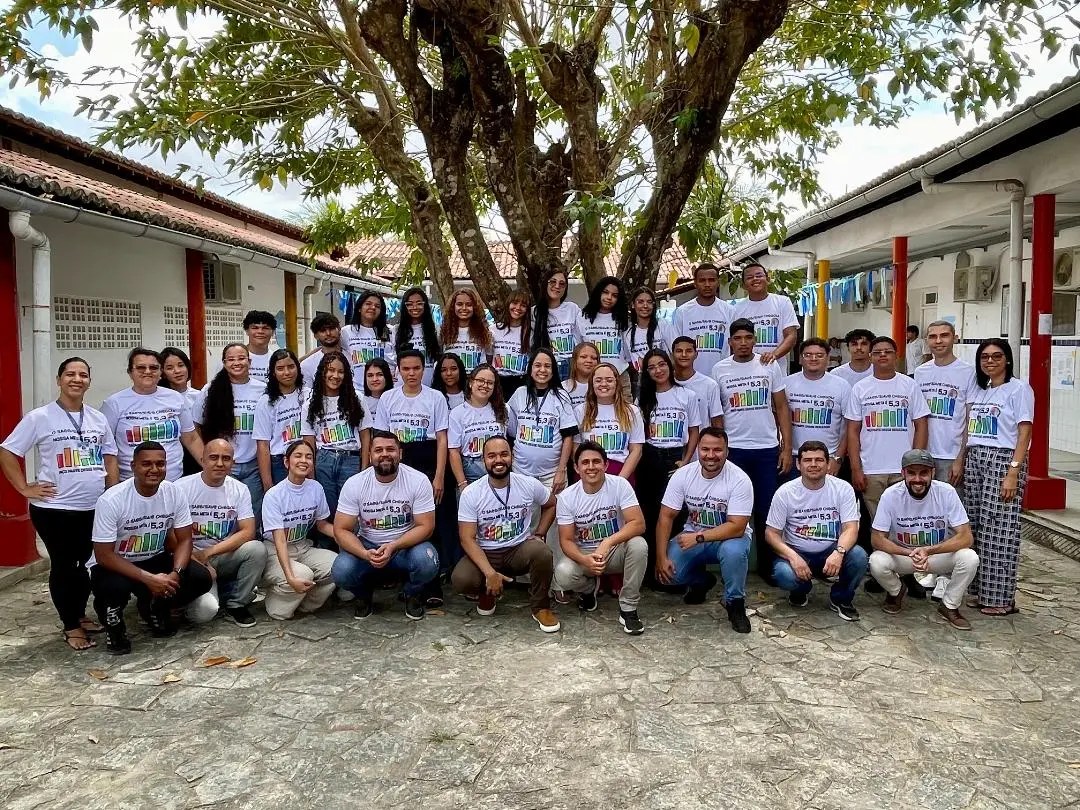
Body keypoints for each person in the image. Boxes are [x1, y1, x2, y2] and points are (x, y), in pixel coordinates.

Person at [0, 357, 118, 651]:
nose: (77, 379)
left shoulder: (97, 418)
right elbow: (7, 451)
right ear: (59, 380)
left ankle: (79, 614)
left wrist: (112, 492)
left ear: (89, 381)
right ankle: (70, 625)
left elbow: (110, 457)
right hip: (55, 509)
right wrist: (24, 488)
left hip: (93, 507)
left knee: (85, 564)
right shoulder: (40, 417)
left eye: (83, 375)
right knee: (65, 566)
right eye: (70, 374)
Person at [89, 441, 213, 655]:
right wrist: (149, 579)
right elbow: (103, 555)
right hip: (116, 563)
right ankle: (113, 624)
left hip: (154, 558)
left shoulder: (174, 493)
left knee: (200, 577)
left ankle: (155, 606)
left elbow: (185, 540)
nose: (154, 469)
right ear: (133, 466)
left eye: (160, 464)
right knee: (114, 588)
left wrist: (175, 574)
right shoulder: (111, 500)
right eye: (146, 464)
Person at [710, 318, 792, 578]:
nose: (743, 343)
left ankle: (769, 567)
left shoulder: (768, 364)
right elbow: (717, 414)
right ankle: (731, 565)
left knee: (767, 510)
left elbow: (781, 406)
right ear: (730, 342)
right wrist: (720, 448)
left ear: (755, 340)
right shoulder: (719, 369)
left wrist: (786, 448)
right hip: (733, 450)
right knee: (731, 511)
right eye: (738, 338)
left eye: (748, 337)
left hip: (766, 448)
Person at [453, 436, 561, 632]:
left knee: (542, 552)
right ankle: (488, 592)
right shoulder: (472, 493)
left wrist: (540, 533)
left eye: (504, 454)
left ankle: (541, 607)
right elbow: (466, 538)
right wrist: (489, 573)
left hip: (518, 549)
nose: (498, 460)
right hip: (486, 552)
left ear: (512, 457)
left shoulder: (528, 484)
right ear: (484, 460)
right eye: (492, 456)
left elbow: (552, 504)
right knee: (462, 579)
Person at [331, 431, 440, 621]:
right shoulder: (355, 484)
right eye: (378, 450)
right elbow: (340, 529)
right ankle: (363, 595)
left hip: (405, 547)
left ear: (400, 453)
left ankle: (412, 593)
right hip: (368, 546)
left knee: (427, 561)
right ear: (370, 455)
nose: (385, 454)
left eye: (390, 449)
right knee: (341, 570)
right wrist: (364, 553)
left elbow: (426, 526)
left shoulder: (418, 480)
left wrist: (393, 546)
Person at [374, 349, 454, 602]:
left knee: (432, 521)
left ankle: (432, 582)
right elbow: (381, 437)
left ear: (423, 369)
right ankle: (400, 574)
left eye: (416, 368)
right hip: (397, 459)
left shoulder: (435, 397)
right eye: (406, 369)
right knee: (402, 517)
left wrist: (439, 476)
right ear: (398, 370)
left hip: (428, 459)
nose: (411, 373)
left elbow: (442, 438)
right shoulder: (388, 398)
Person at [654, 428, 753, 633]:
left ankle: (735, 603)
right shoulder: (683, 475)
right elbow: (666, 516)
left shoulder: (740, 479)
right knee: (669, 574)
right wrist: (661, 557)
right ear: (698, 449)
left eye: (717, 450)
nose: (711, 455)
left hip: (729, 538)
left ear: (727, 451)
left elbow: (737, 526)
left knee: (733, 552)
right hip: (694, 535)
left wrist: (699, 537)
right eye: (705, 449)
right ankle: (702, 581)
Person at [869, 449, 979, 630]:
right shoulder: (890, 495)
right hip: (905, 555)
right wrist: (908, 552)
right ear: (903, 473)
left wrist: (930, 550)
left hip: (936, 554)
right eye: (911, 473)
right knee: (876, 561)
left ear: (933, 473)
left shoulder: (946, 492)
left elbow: (966, 537)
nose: (917, 479)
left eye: (924, 473)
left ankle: (949, 605)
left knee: (970, 558)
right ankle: (897, 591)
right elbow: (877, 539)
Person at [963, 338, 1033, 616]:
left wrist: (1013, 471)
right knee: (976, 527)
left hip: (1003, 460)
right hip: (976, 458)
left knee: (1000, 529)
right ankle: (981, 591)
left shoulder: (1019, 389)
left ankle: (1000, 598)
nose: (990, 361)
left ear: (1007, 359)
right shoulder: (983, 390)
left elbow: (1025, 431)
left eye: (996, 356)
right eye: (985, 357)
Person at [554, 442, 648, 635]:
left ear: (606, 465)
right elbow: (566, 540)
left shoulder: (620, 485)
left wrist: (608, 542)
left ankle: (628, 609)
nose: (591, 467)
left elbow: (638, 523)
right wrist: (584, 560)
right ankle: (588, 590)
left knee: (639, 545)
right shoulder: (567, 497)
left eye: (596, 461)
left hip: (615, 550)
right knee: (563, 573)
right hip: (586, 553)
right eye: (585, 462)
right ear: (576, 468)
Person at [764, 441, 865, 620]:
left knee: (859, 557)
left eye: (819, 460)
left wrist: (839, 552)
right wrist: (793, 558)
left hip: (831, 548)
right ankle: (801, 590)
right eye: (807, 460)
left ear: (828, 464)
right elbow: (771, 533)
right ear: (798, 464)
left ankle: (841, 599)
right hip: (798, 550)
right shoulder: (785, 492)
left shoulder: (843, 488)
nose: (813, 464)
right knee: (783, 574)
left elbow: (851, 528)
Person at [176, 439, 265, 628]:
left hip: (221, 553)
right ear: (202, 460)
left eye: (226, 458)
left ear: (233, 462)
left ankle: (236, 603)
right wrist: (196, 560)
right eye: (213, 457)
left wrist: (209, 553)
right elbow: (170, 534)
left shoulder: (239, 489)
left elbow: (248, 531)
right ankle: (184, 604)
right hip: (191, 558)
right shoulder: (181, 488)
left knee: (257, 549)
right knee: (205, 612)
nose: (219, 463)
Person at [845, 336, 930, 518]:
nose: (882, 355)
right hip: (871, 470)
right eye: (877, 352)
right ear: (870, 357)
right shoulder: (860, 388)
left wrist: (916, 462)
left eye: (888, 352)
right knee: (878, 523)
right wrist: (856, 468)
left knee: (907, 520)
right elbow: (852, 431)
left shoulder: (910, 385)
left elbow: (921, 424)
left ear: (896, 355)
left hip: (904, 469)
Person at [636, 348, 700, 581]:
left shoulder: (687, 395)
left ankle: (672, 569)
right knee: (650, 512)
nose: (658, 370)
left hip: (675, 458)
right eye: (651, 367)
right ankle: (650, 570)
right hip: (649, 457)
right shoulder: (642, 398)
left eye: (661, 364)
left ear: (669, 365)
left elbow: (694, 431)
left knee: (676, 513)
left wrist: (686, 460)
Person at [260, 441, 338, 620]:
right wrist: (290, 577)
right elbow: (279, 539)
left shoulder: (316, 488)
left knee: (337, 565)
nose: (304, 460)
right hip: (275, 550)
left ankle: (305, 603)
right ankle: (277, 601)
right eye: (298, 456)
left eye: (308, 457)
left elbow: (322, 525)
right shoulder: (274, 495)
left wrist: (347, 538)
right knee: (302, 576)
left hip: (302, 546)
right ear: (287, 462)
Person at [102, 347, 203, 482]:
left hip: (174, 482)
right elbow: (106, 449)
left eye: (154, 368)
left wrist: (208, 468)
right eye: (141, 368)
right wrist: (112, 487)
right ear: (130, 372)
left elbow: (191, 439)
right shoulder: (114, 403)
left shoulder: (175, 398)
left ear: (161, 372)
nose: (148, 371)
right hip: (132, 483)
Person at [192, 343, 267, 516]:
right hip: (223, 465)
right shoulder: (210, 390)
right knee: (225, 513)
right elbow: (196, 426)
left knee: (253, 513)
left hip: (254, 465)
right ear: (224, 363)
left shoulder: (262, 389)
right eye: (231, 359)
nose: (236, 363)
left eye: (241, 358)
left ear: (249, 361)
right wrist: (207, 457)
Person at [301, 351, 365, 542]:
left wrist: (364, 468)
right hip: (324, 460)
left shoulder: (356, 398)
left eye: (340, 371)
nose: (335, 376)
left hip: (351, 459)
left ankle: (352, 550)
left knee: (351, 511)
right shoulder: (310, 404)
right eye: (330, 370)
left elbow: (366, 435)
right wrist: (311, 476)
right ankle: (327, 552)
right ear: (322, 372)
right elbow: (308, 442)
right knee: (326, 511)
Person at [506, 348, 578, 503]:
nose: (542, 370)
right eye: (538, 365)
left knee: (553, 514)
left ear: (553, 370)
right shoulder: (519, 394)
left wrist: (561, 470)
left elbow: (568, 437)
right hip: (521, 473)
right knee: (524, 516)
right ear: (530, 369)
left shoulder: (561, 396)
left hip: (552, 474)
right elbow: (512, 431)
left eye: (547, 366)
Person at [914, 321, 977, 485]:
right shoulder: (920, 372)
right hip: (924, 454)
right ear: (927, 340)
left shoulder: (968, 372)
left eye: (944, 335)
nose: (938, 341)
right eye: (933, 336)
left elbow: (970, 419)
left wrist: (961, 457)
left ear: (955, 338)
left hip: (952, 456)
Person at [784, 338, 852, 477]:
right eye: (808, 355)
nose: (813, 359)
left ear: (827, 358)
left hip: (829, 458)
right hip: (794, 457)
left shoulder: (842, 385)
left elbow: (849, 426)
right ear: (800, 358)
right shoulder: (786, 384)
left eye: (819, 355)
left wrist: (838, 458)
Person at [574, 362, 645, 481]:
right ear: (591, 384)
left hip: (621, 473)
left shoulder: (632, 411)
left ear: (617, 383)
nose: (604, 384)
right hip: (588, 473)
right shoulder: (580, 411)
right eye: (598, 380)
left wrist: (620, 481)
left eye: (609, 380)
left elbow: (636, 450)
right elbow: (575, 447)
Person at [449, 364, 508, 488]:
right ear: (471, 383)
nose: (485, 385)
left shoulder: (503, 408)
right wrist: (462, 483)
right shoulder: (457, 413)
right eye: (480, 380)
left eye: (490, 383)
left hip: (499, 468)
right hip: (471, 471)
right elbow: (454, 451)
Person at [254, 348, 305, 490]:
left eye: (291, 366)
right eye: (280, 368)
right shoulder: (266, 402)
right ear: (273, 373)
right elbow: (263, 445)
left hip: (307, 459)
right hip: (280, 463)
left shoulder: (309, 395)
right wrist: (267, 483)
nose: (287, 372)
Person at [729, 263, 799, 365]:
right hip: (746, 368)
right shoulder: (736, 309)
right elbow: (733, 341)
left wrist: (773, 355)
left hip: (776, 367)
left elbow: (791, 335)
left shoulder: (783, 302)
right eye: (749, 277)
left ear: (768, 279)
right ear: (743, 285)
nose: (755, 279)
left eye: (759, 275)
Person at [673, 262, 732, 375]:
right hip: (692, 377)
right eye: (702, 280)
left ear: (718, 282)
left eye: (711, 280)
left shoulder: (730, 311)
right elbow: (676, 348)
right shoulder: (683, 312)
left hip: (723, 375)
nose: (707, 284)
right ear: (695, 283)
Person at [578, 275, 631, 397]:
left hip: (620, 377)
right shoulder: (582, 318)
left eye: (614, 295)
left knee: (626, 410)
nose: (609, 297)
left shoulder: (624, 320)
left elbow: (628, 353)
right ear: (598, 293)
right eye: (605, 292)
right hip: (591, 379)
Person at [625, 286, 677, 399]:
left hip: (666, 381)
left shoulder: (663, 325)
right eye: (640, 302)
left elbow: (675, 353)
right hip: (642, 385)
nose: (645, 306)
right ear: (633, 305)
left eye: (649, 302)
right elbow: (630, 362)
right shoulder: (627, 334)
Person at [532, 268, 581, 378]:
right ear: (545, 284)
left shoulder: (572, 308)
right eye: (553, 282)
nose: (557, 286)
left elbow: (581, 336)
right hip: (546, 368)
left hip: (571, 366)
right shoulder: (534, 312)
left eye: (562, 284)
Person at [341, 291, 395, 389]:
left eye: (377, 306)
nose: (373, 307)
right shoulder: (346, 331)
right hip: (357, 390)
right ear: (359, 308)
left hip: (386, 390)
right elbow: (331, 348)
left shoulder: (390, 331)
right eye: (368, 304)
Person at [671, 336, 724, 431]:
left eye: (689, 351)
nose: (684, 355)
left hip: (701, 439)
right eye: (679, 351)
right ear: (672, 355)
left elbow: (716, 421)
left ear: (696, 354)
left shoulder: (710, 385)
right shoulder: (664, 383)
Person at [491, 289, 532, 400]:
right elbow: (488, 357)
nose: (518, 308)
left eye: (523, 305)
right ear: (508, 304)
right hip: (498, 382)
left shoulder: (530, 333)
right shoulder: (494, 330)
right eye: (515, 303)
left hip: (521, 382)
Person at [394, 286, 440, 386]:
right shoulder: (396, 331)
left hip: (430, 386)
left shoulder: (436, 330)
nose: (415, 307)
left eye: (419, 303)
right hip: (402, 386)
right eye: (410, 304)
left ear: (425, 305)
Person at [440, 288, 492, 375]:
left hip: (476, 380)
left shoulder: (485, 332)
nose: (464, 308)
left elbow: (489, 360)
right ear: (453, 307)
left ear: (475, 307)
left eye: (469, 304)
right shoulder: (443, 332)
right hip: (451, 380)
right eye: (459, 304)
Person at [360, 357, 395, 463]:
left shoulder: (395, 399)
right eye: (370, 375)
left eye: (379, 375)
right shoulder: (360, 401)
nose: (374, 379)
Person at [299, 313, 344, 385]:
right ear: (316, 336)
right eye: (323, 331)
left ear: (339, 330)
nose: (328, 333)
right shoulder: (306, 365)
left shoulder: (352, 357)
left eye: (331, 329)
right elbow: (307, 390)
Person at [239, 310, 278, 384]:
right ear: (247, 331)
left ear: (273, 332)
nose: (260, 331)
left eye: (265, 328)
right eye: (255, 328)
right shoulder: (233, 358)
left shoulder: (276, 359)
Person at [562, 342, 600, 411]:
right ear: (574, 360)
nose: (589, 360)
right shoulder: (563, 387)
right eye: (583, 357)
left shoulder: (603, 386)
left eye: (594, 358)